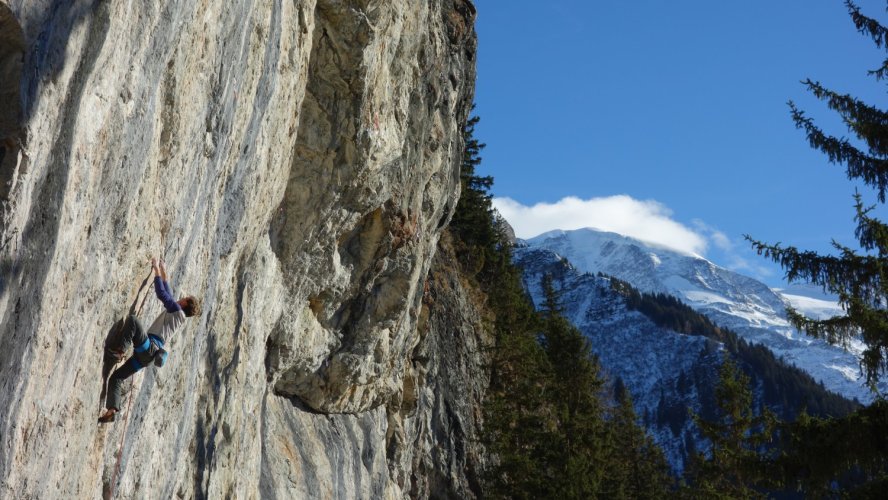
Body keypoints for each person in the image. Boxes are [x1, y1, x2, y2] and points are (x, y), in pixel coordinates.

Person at [98, 258, 200, 423]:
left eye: (184, 298)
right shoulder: (179, 315)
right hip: (147, 358)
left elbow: (162, 294)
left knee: (132, 321)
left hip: (148, 347)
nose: (181, 298)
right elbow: (168, 293)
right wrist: (162, 271)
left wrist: (155, 270)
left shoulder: (177, 311)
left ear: (185, 303)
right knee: (116, 377)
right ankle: (112, 410)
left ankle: (119, 351)